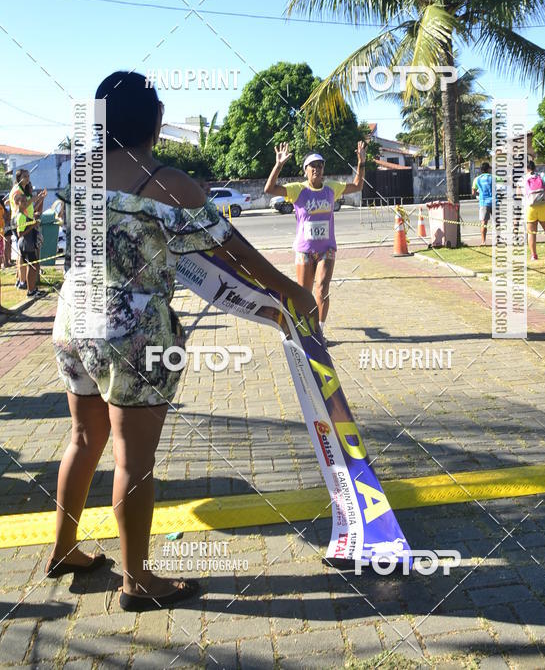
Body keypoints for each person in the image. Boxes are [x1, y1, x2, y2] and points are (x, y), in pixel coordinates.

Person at [50, 71, 316, 612]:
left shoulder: (81, 173)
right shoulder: (167, 181)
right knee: (134, 460)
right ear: (152, 119)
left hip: (73, 323)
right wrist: (290, 291)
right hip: (133, 333)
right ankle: (138, 582)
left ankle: (63, 549)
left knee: (82, 438)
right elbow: (232, 248)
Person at [264, 141, 366, 338]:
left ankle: (319, 331)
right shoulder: (297, 190)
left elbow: (357, 185)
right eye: (313, 166)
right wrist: (278, 165)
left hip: (327, 248)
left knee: (322, 289)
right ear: (306, 171)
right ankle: (303, 329)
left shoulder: (331, 188)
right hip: (304, 250)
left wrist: (361, 162)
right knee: (304, 294)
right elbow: (270, 189)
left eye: (320, 166)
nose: (317, 169)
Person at [14, 194, 40, 296]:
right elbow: (20, 233)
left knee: (33, 266)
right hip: (26, 243)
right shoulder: (20, 216)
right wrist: (32, 225)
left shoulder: (24, 214)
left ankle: (32, 288)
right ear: (18, 203)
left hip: (28, 243)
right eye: (23, 201)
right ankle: (30, 290)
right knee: (32, 266)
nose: (25, 203)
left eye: (26, 201)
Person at [472, 161, 493, 245]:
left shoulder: (477, 179)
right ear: (488, 169)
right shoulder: (493, 177)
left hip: (483, 202)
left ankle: (483, 241)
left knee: (484, 223)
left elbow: (473, 193)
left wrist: (480, 194)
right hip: (494, 202)